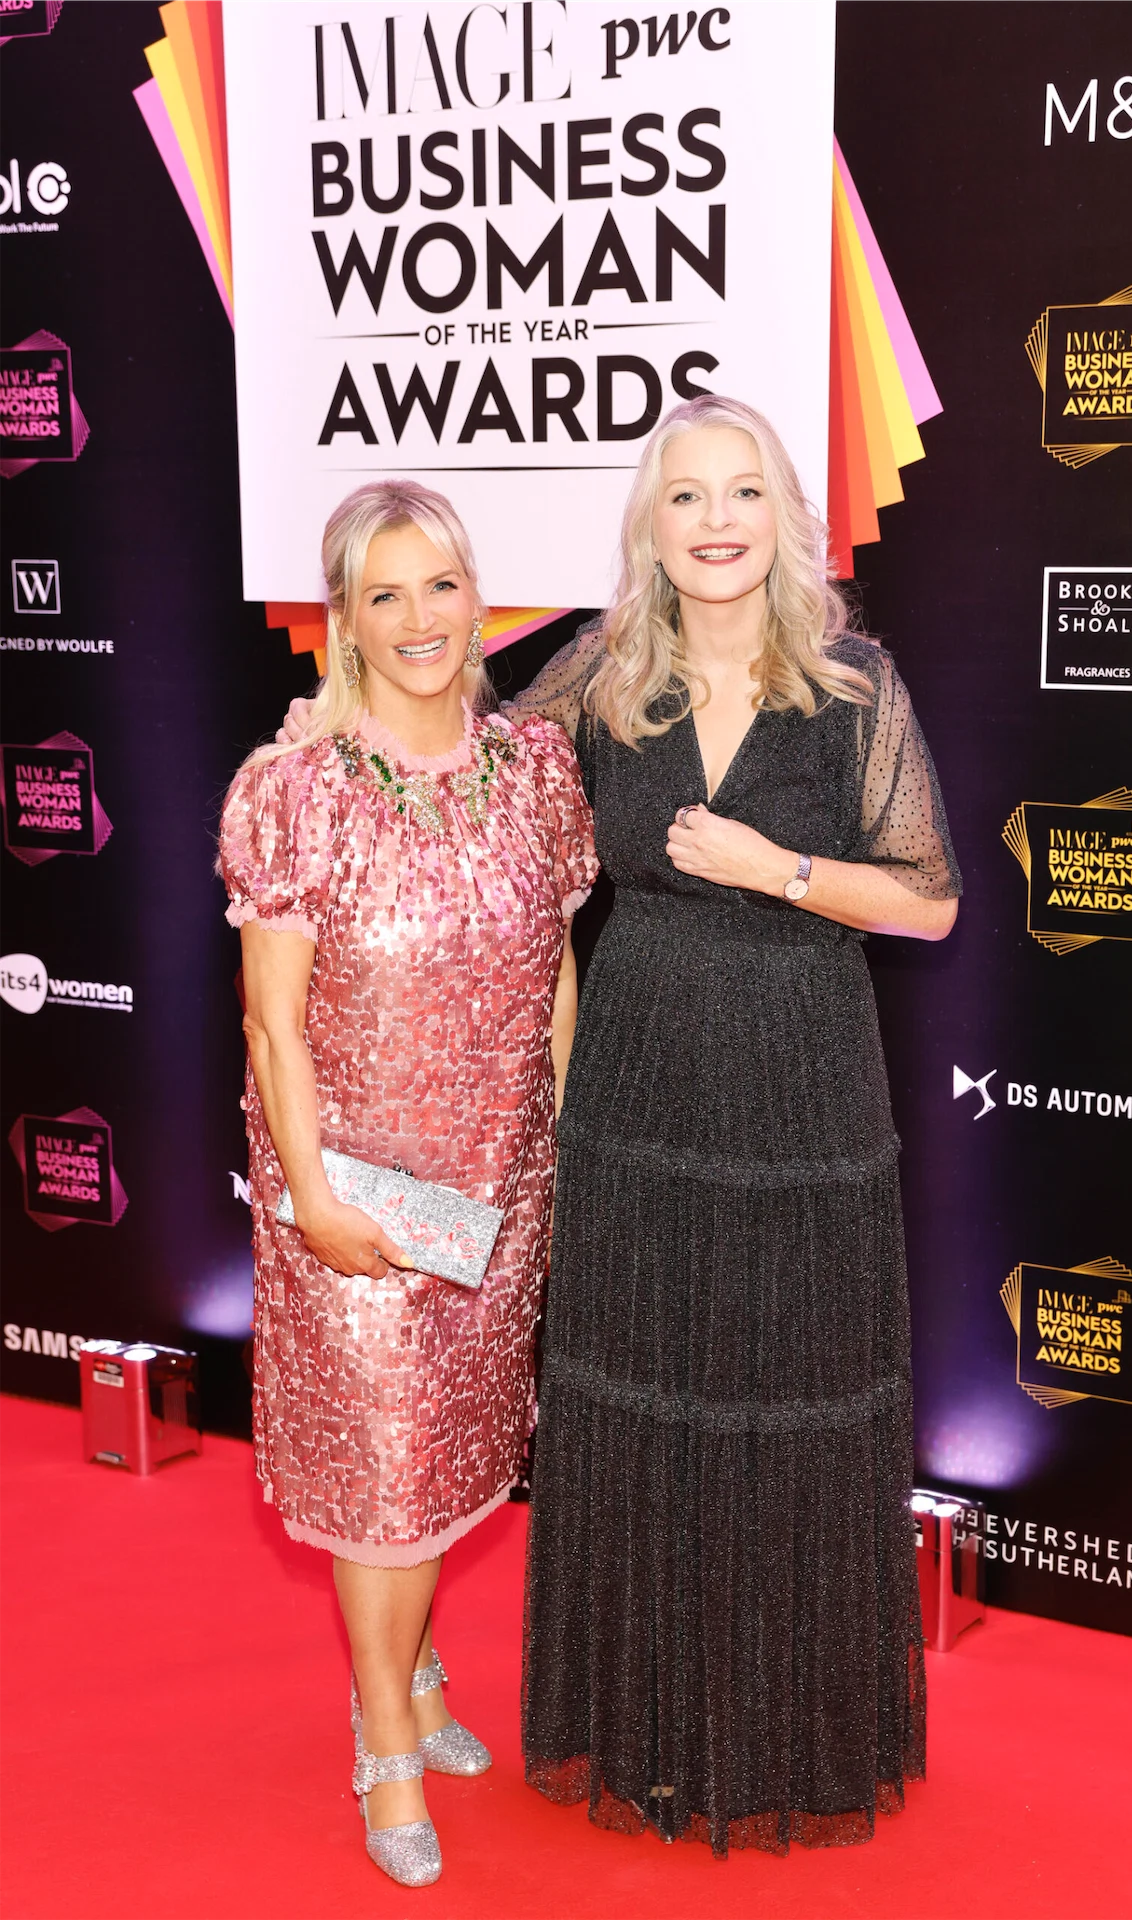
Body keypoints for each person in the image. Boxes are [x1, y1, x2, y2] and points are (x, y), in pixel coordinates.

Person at [279, 395, 961, 1859]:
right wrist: (328, 733)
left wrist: (781, 869)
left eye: (742, 492)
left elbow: (930, 900)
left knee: (788, 1394)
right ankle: (642, 1730)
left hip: (800, 1088)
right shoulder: (600, 672)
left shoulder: (854, 684)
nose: (716, 522)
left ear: (785, 513)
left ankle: (780, 1734)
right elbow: (456, 766)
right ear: (648, 524)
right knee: (644, 1395)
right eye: (684, 496)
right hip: (635, 1087)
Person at [218, 479, 596, 1888]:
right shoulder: (294, 791)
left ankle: (424, 1680)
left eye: (440, 584)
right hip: (356, 1200)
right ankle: (384, 1735)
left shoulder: (537, 772)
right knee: (382, 1477)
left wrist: (562, 1136)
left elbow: (555, 975)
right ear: (345, 621)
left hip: (499, 1190)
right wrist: (313, 1197)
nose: (420, 617)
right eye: (385, 594)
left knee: (450, 1460)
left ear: (475, 598)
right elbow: (272, 1025)